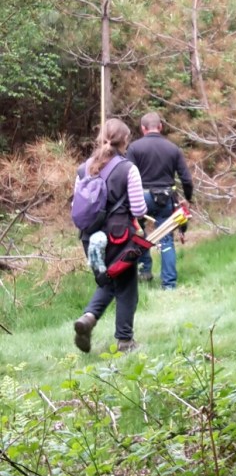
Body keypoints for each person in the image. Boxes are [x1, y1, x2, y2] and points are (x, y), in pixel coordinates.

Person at [73, 118, 147, 354]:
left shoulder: (83, 168)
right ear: (125, 140)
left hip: (89, 238)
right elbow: (138, 209)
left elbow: (77, 206)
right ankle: (125, 341)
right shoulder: (128, 168)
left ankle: (88, 318)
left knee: (107, 281)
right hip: (118, 237)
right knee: (125, 286)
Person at [126, 111, 193, 289]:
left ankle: (145, 271)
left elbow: (126, 175)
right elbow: (186, 179)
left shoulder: (134, 148)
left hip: (141, 197)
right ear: (161, 127)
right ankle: (169, 284)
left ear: (143, 128)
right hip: (165, 198)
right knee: (166, 240)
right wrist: (188, 199)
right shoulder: (173, 148)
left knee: (138, 234)